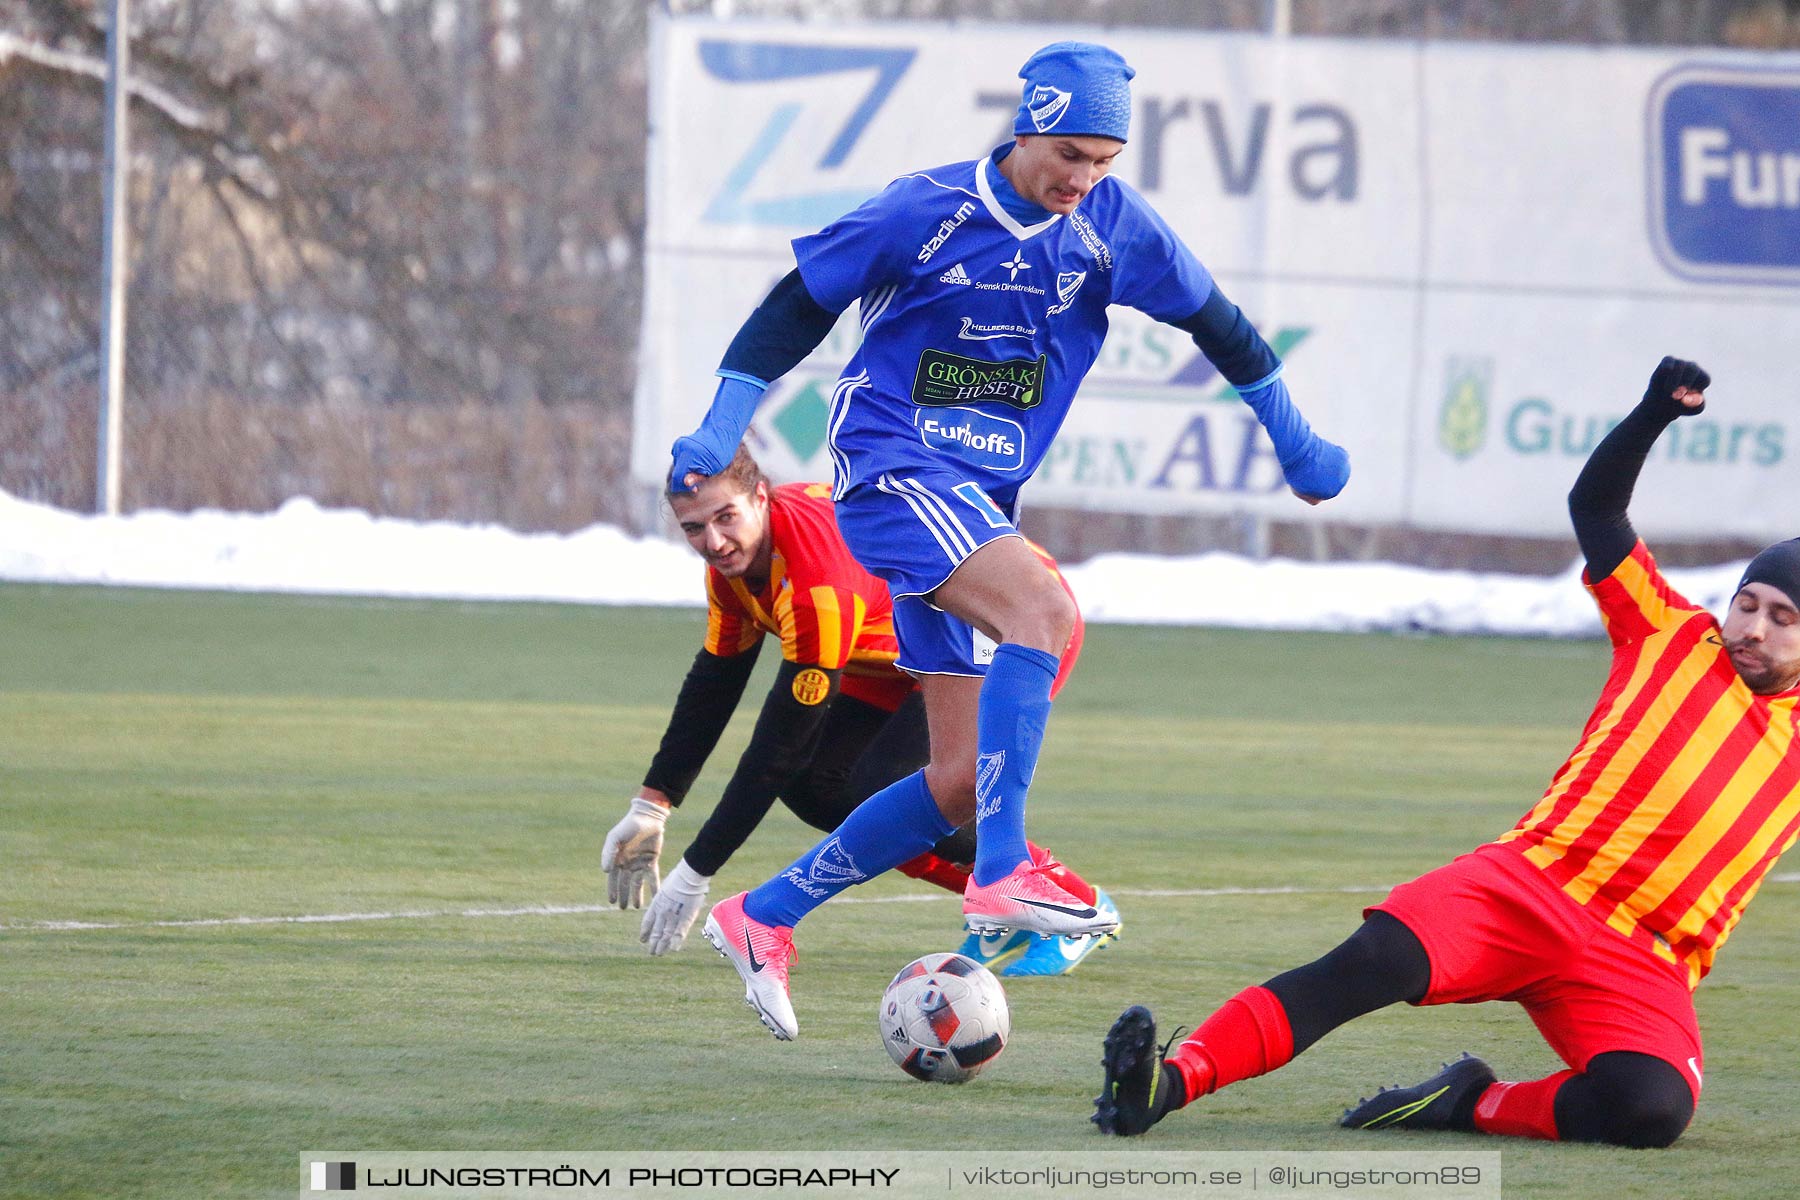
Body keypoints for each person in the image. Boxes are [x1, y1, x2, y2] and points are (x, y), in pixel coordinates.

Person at [670, 41, 1348, 1040]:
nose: (1083, 177)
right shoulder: (924, 209)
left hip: (978, 501)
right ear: (1028, 124)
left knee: (952, 778)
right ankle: (1003, 874)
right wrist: (724, 424)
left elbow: (1225, 327)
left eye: (1103, 160)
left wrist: (1295, 438)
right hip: (893, 471)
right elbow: (794, 308)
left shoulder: (1115, 229)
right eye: (1070, 151)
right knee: (1046, 612)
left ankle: (763, 916)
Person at [1094, 357, 1800, 1149]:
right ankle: (1167, 1081)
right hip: (1532, 884)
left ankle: (1469, 1102)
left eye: (1782, 617)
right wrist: (1651, 414)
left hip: (1645, 961)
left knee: (1650, 1110)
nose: (1753, 629)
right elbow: (1595, 507)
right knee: (1369, 963)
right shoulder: (1671, 634)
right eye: (1747, 604)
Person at [600, 445, 1119, 978]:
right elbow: (716, 681)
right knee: (813, 785)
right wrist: (653, 804)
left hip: (1007, 622)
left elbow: (778, 744)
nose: (713, 541)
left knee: (918, 782)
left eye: (725, 517)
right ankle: (1002, 903)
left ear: (762, 497)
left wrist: (696, 870)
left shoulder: (814, 588)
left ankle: (1075, 902)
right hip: (898, 650)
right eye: (693, 529)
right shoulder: (734, 570)